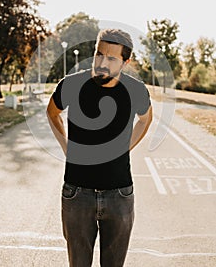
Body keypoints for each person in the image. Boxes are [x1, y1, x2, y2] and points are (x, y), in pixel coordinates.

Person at [46, 28, 152, 267]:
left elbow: (146, 119)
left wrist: (127, 147)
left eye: (112, 58)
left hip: (119, 194)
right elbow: (53, 113)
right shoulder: (72, 84)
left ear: (126, 61)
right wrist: (67, 148)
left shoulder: (136, 91)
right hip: (77, 194)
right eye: (99, 54)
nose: (102, 62)